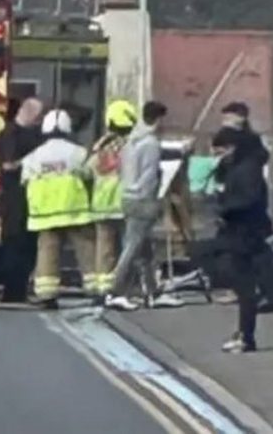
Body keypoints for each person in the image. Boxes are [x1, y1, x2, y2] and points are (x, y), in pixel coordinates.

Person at [105, 101, 182, 310]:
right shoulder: (151, 143)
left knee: (144, 249)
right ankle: (116, 292)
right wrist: (154, 198)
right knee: (132, 247)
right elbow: (149, 174)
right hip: (143, 199)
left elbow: (123, 169)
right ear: (159, 120)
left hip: (128, 195)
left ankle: (152, 292)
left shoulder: (131, 141)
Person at [22, 108, 100, 309]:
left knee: (47, 253)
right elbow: (89, 175)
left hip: (45, 214)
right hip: (74, 210)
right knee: (86, 250)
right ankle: (95, 290)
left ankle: (47, 295)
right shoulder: (79, 153)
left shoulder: (33, 156)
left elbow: (25, 180)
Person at [212, 123, 273, 352]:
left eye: (221, 152)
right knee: (238, 279)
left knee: (244, 284)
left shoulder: (248, 169)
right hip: (240, 231)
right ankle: (244, 332)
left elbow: (249, 199)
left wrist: (226, 209)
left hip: (246, 232)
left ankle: (246, 336)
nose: (219, 158)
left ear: (232, 147)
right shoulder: (238, 167)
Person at [0, 97, 44, 303]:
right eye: (38, 116)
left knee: (29, 247)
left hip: (32, 198)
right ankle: (11, 292)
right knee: (14, 245)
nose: (40, 120)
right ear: (30, 114)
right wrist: (30, 161)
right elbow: (8, 165)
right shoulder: (10, 133)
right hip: (14, 199)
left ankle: (21, 289)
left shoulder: (36, 135)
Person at [89, 100, 136, 292]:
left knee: (104, 250)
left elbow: (88, 169)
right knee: (129, 248)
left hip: (102, 205)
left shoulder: (100, 148)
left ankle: (104, 289)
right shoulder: (132, 146)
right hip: (126, 203)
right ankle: (125, 287)